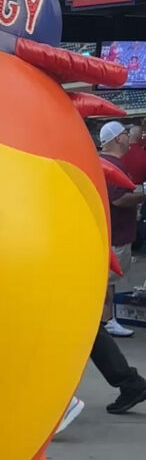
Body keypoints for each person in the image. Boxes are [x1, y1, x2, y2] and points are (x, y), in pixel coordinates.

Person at [99, 121, 144, 336]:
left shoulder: (105, 162)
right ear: (118, 138)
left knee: (109, 279)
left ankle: (108, 318)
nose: (129, 137)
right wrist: (141, 196)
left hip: (112, 230)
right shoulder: (112, 165)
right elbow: (118, 199)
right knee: (108, 279)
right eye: (125, 133)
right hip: (116, 233)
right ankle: (107, 320)